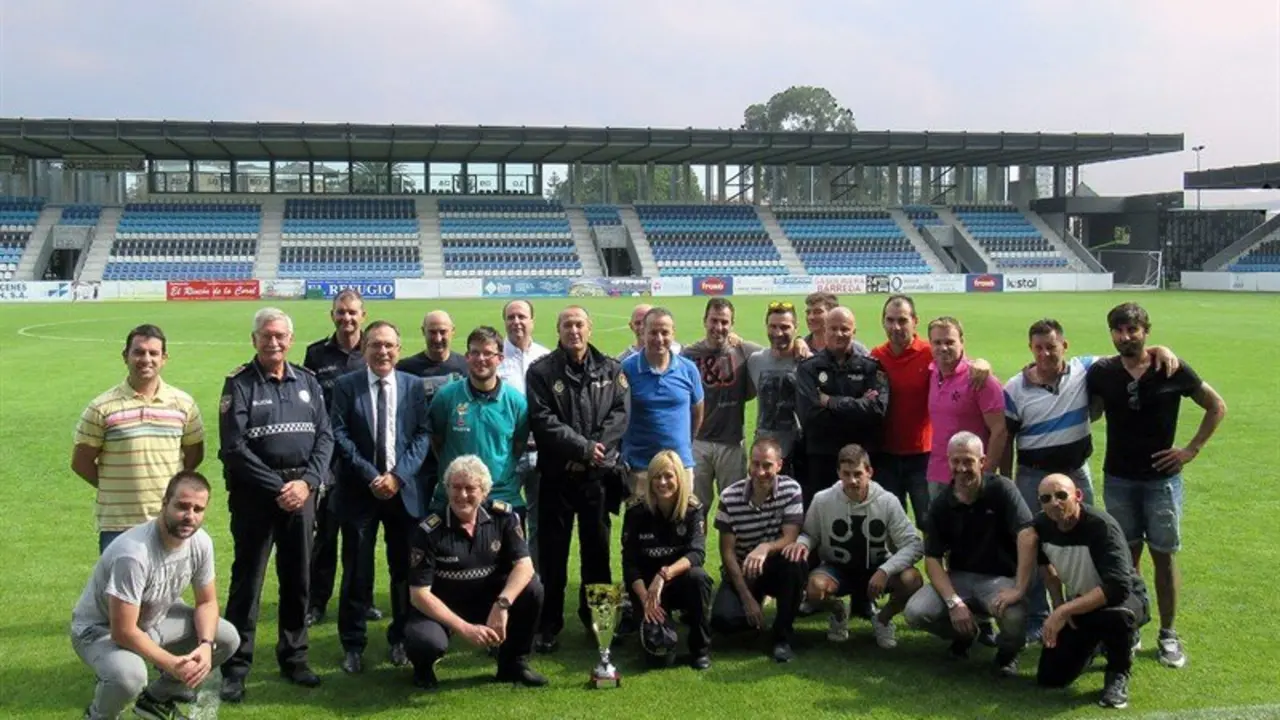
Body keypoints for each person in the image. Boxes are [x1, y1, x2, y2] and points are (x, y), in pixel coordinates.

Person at [1001, 318, 1177, 643]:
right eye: (1038, 348)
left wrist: (1158, 349)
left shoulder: (1085, 369)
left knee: (1090, 540)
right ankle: (1038, 619)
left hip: (1074, 474)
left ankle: (1090, 615)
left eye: (1051, 347)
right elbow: (1006, 436)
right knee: (1034, 544)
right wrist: (1007, 483)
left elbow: (1128, 354)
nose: (1045, 354)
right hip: (1034, 477)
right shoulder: (1014, 387)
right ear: (1030, 349)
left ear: (1064, 346)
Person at [1086, 302, 1226, 669]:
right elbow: (1090, 406)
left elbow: (1216, 406)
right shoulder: (1102, 373)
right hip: (1118, 478)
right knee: (1125, 562)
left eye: (1132, 329)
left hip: (1161, 482)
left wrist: (1190, 450)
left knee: (1163, 558)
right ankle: (1130, 629)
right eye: (1118, 330)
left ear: (1146, 330)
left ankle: (1168, 634)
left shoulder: (1170, 368)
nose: (1125, 336)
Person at [217, 307, 332, 701]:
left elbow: (325, 437)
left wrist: (307, 483)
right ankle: (235, 665)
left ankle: (295, 657)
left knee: (298, 579)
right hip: (255, 499)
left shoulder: (309, 381)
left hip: (302, 496)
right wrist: (279, 488)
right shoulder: (240, 384)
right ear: (255, 340)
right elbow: (234, 448)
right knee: (247, 584)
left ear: (290, 339)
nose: (274, 342)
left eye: (280, 335)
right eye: (266, 335)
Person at [71, 471, 239, 720]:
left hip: (152, 619)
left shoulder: (201, 543)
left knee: (225, 638)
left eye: (198, 509)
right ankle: (98, 716)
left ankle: (155, 701)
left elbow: (207, 601)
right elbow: (123, 631)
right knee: (130, 676)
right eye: (182, 506)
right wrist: (172, 663)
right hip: (100, 630)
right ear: (164, 504)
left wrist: (205, 645)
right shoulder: (134, 554)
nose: (189, 516)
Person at [525, 306, 630, 653]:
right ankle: (548, 624)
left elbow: (620, 413)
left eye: (579, 324)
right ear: (558, 329)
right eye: (567, 324)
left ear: (590, 327)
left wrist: (597, 451)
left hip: (597, 480)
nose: (574, 330)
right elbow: (543, 421)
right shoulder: (540, 371)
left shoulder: (611, 369)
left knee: (598, 554)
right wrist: (584, 448)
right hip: (557, 478)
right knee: (552, 557)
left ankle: (600, 622)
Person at [330, 321, 433, 674]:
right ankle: (353, 643)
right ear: (365, 350)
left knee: (404, 569)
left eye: (389, 345)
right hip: (360, 493)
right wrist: (372, 475)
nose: (383, 352)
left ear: (399, 349)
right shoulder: (346, 386)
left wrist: (398, 477)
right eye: (376, 345)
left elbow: (422, 435)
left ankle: (401, 638)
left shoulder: (413, 386)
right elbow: (339, 434)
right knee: (357, 570)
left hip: (404, 493)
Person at [404, 455, 547, 689]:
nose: (462, 495)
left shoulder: (505, 518)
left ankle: (513, 663)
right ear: (446, 489)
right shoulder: (428, 530)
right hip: (443, 606)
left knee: (533, 588)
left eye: (470, 488)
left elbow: (525, 566)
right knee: (425, 641)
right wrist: (464, 629)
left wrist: (502, 605)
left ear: (484, 491)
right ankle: (423, 670)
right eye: (455, 487)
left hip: (488, 602)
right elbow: (419, 594)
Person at [903, 431, 1033, 677]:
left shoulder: (1002, 489)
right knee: (916, 612)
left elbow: (1027, 535)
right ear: (948, 461)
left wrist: (1019, 588)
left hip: (1000, 578)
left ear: (982, 462)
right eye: (956, 461)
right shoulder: (941, 504)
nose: (961, 468)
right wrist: (954, 603)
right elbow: (932, 559)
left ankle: (1008, 654)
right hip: (959, 578)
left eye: (968, 461)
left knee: (1014, 616)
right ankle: (967, 633)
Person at [72, 324, 204, 554]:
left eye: (153, 353)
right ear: (126, 356)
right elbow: (80, 462)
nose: (146, 359)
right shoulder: (102, 407)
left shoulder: (184, 404)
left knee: (168, 589)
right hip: (118, 525)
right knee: (119, 591)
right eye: (139, 352)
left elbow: (194, 454)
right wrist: (114, 487)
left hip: (169, 520)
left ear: (164, 358)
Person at [782, 444, 923, 650]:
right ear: (838, 473)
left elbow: (913, 544)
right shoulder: (822, 500)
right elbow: (810, 534)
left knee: (912, 580)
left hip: (877, 568)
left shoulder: (887, 502)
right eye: (846, 474)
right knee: (814, 588)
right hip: (837, 568)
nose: (852, 481)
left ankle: (882, 619)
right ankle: (838, 611)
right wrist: (802, 545)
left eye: (858, 474)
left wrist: (886, 570)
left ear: (869, 472)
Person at [1031, 473, 1151, 710]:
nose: (1054, 502)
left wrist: (1064, 611)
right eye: (1046, 498)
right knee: (1050, 678)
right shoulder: (1042, 526)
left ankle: (1118, 673)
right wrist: (1058, 606)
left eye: (1061, 495)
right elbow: (1047, 570)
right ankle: (1096, 643)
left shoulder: (1101, 527)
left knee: (1118, 617)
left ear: (1078, 496)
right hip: (1083, 602)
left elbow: (1118, 587)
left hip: (1126, 599)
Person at [302, 289, 379, 627]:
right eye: (340, 313)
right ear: (331, 315)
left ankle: (363, 601)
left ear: (363, 315)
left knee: (361, 538)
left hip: (365, 459)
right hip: (328, 462)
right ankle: (316, 602)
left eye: (352, 313)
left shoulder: (373, 353)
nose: (347, 318)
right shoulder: (317, 354)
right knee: (325, 537)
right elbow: (309, 406)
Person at [711, 438, 809, 662]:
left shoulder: (791, 489)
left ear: (779, 465)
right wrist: (746, 598)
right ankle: (754, 609)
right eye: (755, 464)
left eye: (767, 465)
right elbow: (727, 553)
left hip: (774, 566)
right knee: (723, 622)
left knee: (795, 561)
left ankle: (782, 636)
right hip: (742, 571)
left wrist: (764, 548)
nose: (760, 471)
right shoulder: (729, 497)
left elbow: (790, 537)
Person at [621, 450, 713, 669]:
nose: (663, 482)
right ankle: (648, 621)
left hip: (677, 583)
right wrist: (645, 598)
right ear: (650, 480)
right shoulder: (636, 512)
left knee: (699, 578)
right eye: (657, 477)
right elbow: (629, 563)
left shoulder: (692, 510)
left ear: (679, 478)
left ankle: (700, 649)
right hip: (646, 589)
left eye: (669, 476)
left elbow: (697, 553)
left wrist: (664, 575)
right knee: (658, 658)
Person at [426, 326, 530, 519]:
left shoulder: (516, 402)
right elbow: (436, 441)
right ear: (467, 357)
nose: (481, 359)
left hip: (502, 496)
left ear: (500, 358)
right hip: (455, 497)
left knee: (514, 549)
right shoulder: (446, 397)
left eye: (488, 353)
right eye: (475, 352)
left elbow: (518, 445)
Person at [795, 306, 890, 507]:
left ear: (854, 332)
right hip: (822, 460)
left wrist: (831, 402)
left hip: (862, 461)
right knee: (821, 521)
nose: (839, 334)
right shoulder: (808, 369)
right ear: (824, 330)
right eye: (834, 328)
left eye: (845, 329)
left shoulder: (870, 368)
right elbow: (811, 418)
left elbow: (876, 412)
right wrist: (858, 408)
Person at [681, 298, 763, 508]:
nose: (719, 327)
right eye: (714, 321)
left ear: (732, 324)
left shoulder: (744, 351)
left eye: (724, 322)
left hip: (732, 443)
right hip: (698, 444)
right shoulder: (688, 355)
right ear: (705, 321)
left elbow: (779, 352)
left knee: (735, 508)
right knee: (695, 508)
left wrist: (799, 340)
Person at [621, 307, 704, 495]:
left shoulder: (688, 369)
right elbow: (619, 415)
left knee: (679, 521)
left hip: (679, 465)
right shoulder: (628, 368)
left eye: (665, 332)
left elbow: (697, 410)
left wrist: (685, 442)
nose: (659, 339)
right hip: (640, 466)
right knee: (641, 523)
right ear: (642, 332)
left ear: (673, 333)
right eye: (653, 332)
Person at [925, 316, 1006, 503]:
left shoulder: (979, 379)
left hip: (970, 476)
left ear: (962, 342)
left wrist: (986, 475)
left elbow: (999, 430)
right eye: (937, 342)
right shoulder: (933, 373)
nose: (943, 348)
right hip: (937, 473)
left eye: (949, 342)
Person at [497, 300, 550, 569]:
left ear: (532, 320)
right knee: (503, 519)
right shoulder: (494, 359)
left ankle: (535, 582)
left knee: (540, 522)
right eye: (511, 317)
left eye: (522, 316)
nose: (516, 322)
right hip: (506, 455)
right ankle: (505, 576)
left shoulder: (546, 357)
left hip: (542, 453)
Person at [397, 310, 469, 501]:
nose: (438, 338)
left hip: (455, 453)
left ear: (453, 331)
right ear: (423, 332)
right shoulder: (405, 368)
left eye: (443, 332)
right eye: (432, 332)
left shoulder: (466, 366)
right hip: (417, 458)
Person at [617, 303, 682, 362]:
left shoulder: (680, 351)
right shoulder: (622, 361)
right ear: (631, 326)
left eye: (647, 323)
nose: (642, 327)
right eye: (638, 323)